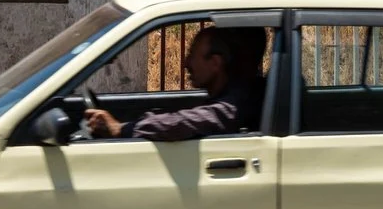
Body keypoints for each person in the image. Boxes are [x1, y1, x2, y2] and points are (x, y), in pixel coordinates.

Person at [84, 27, 266, 141]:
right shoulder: (239, 93)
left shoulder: (237, 104)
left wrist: (122, 129)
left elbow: (186, 122)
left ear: (215, 63)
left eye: (192, 55)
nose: (186, 63)